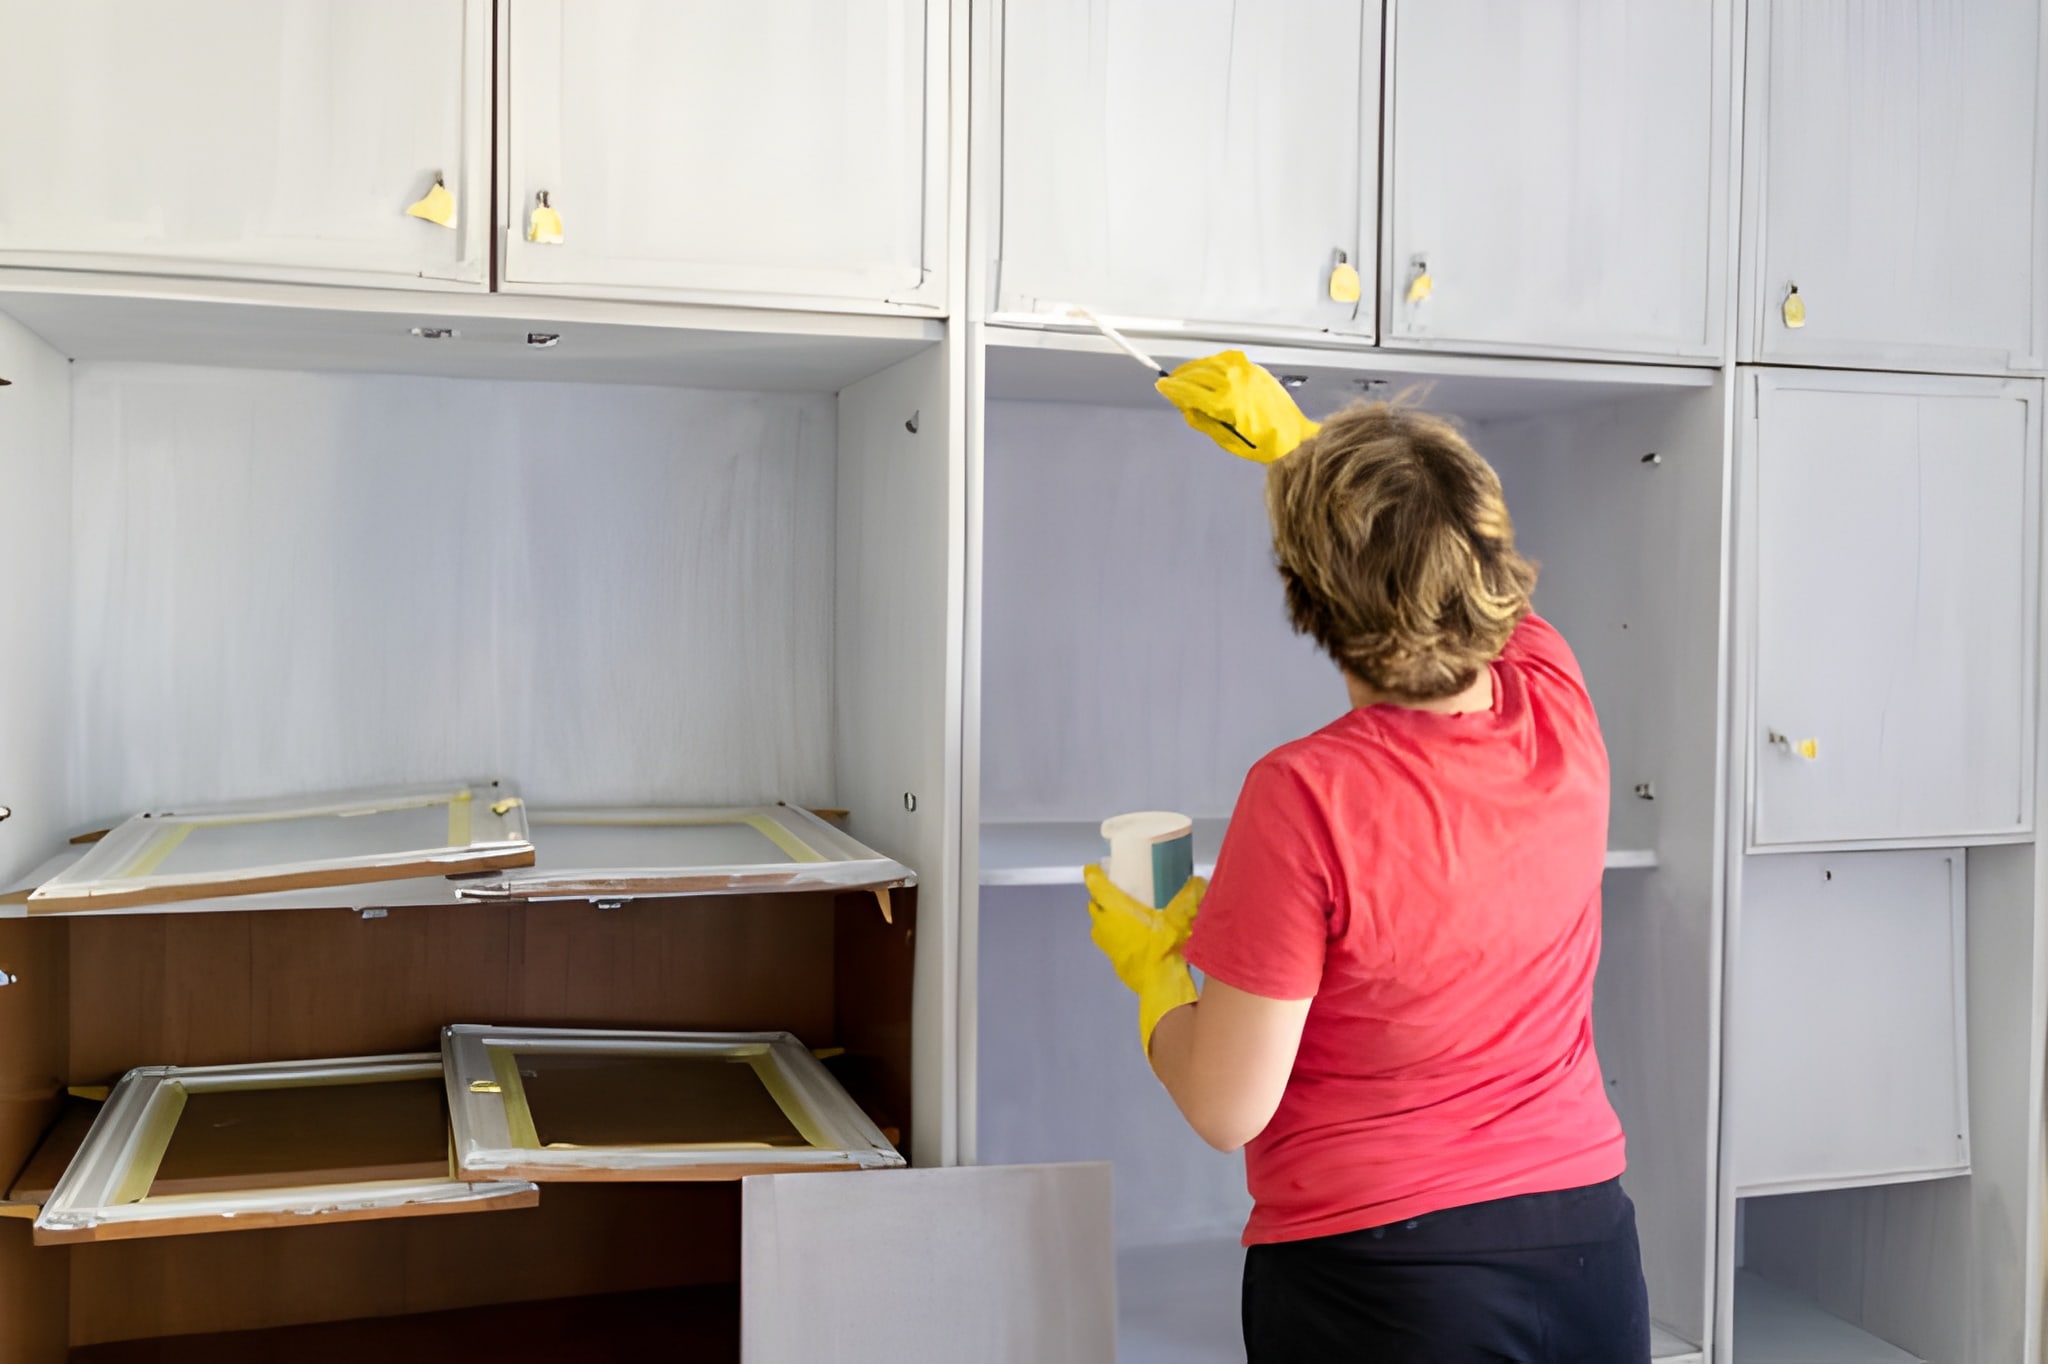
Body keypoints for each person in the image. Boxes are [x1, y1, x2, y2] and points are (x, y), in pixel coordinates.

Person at [1085, 353, 1651, 1363]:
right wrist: (1303, 452)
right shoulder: (1555, 702)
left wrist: (1153, 975)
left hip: (1382, 1281)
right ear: (1486, 556)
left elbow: (1226, 1104)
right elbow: (1451, 582)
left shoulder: (1306, 794)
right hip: (1585, 1251)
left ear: (1307, 604)